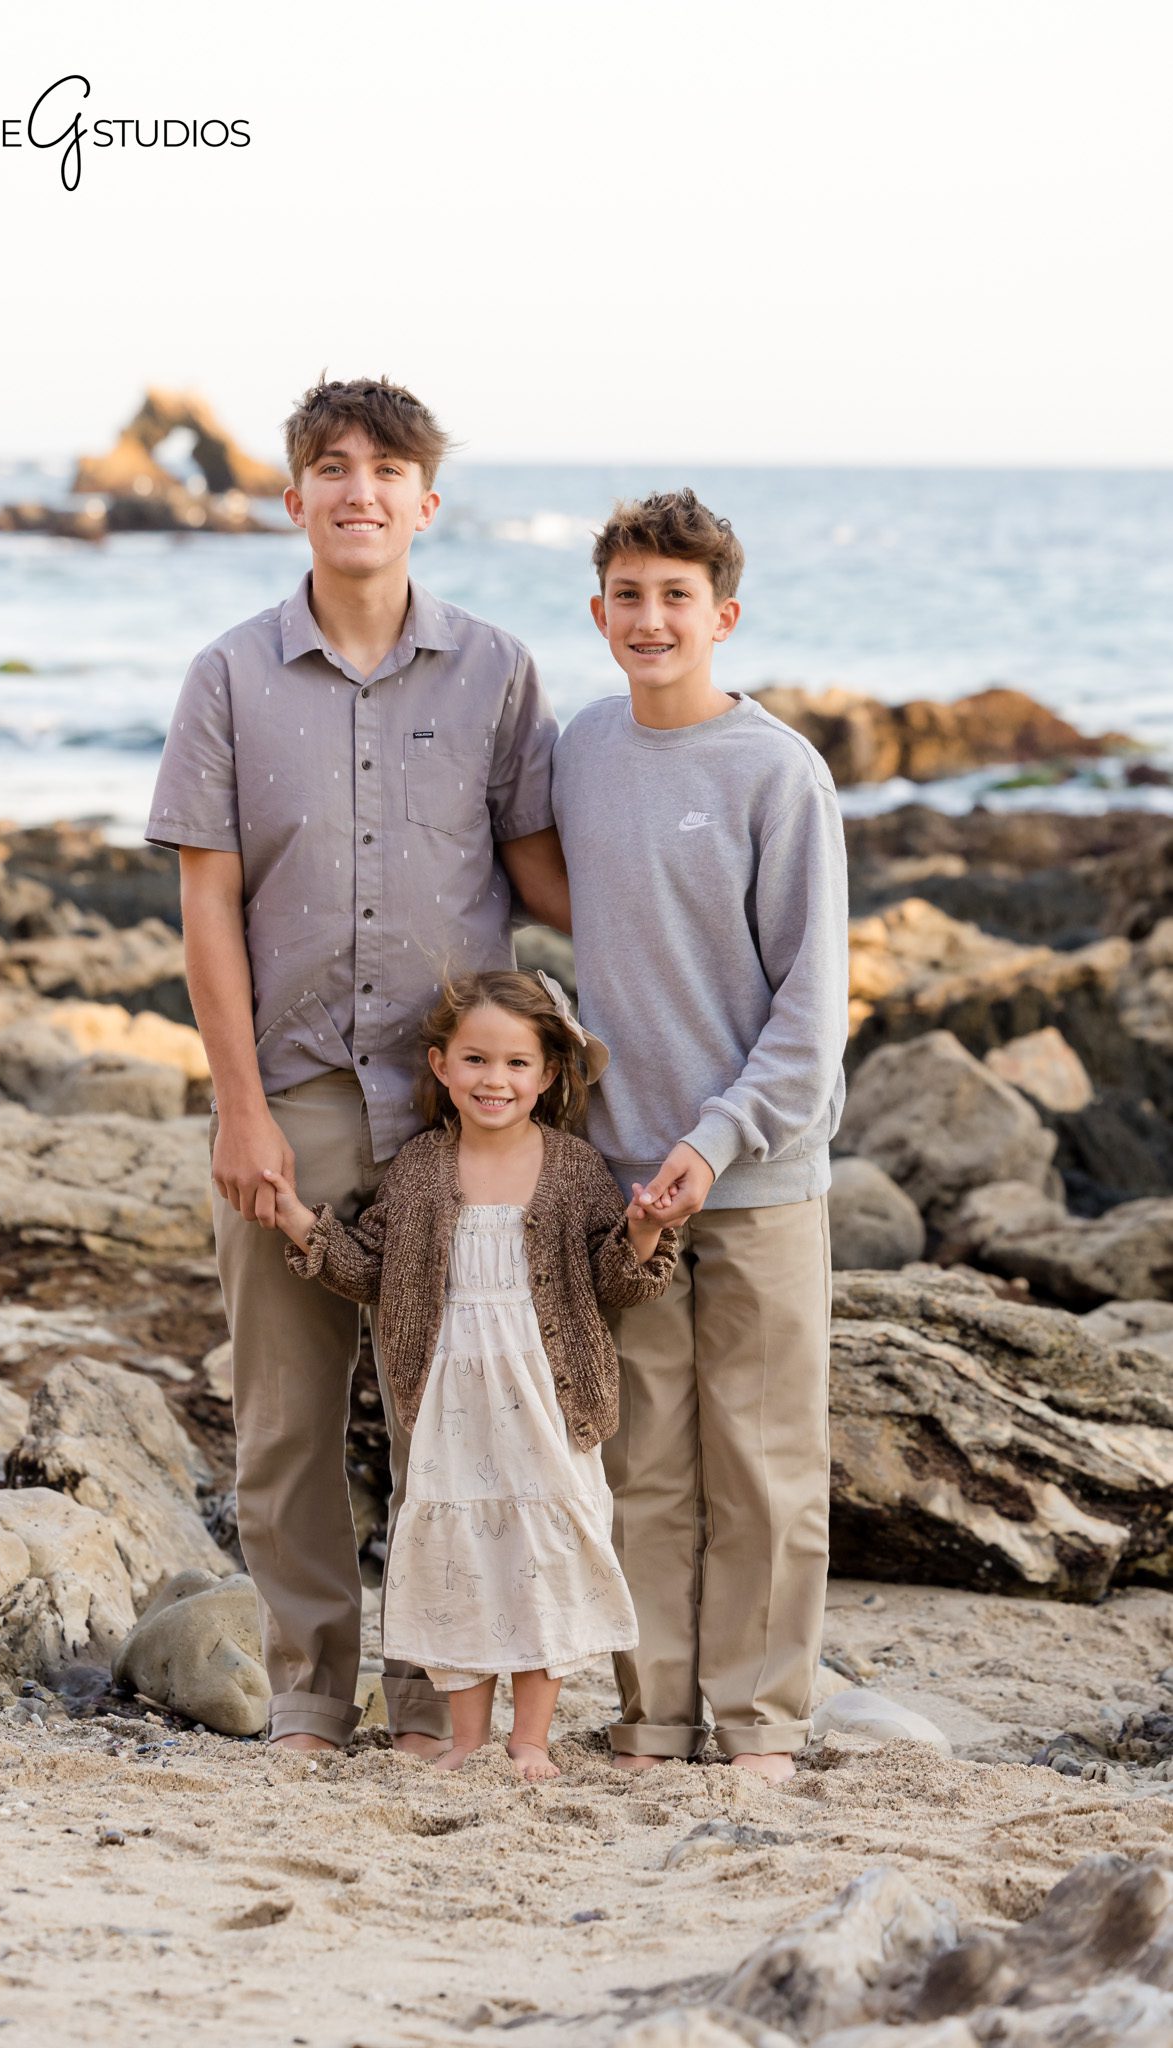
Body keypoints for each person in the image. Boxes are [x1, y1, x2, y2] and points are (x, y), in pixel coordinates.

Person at [144, 377, 571, 1755]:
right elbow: (209, 907)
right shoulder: (226, 674)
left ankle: (439, 1698)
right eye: (332, 465)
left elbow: (552, 874)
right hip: (301, 1095)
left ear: (425, 503)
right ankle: (316, 1700)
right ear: (295, 499)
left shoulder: (500, 672)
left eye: (388, 468)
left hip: (459, 1116)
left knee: (460, 1416)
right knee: (286, 1421)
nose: (360, 488)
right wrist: (240, 1109)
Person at [552, 489, 849, 1784]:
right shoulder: (578, 751)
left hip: (759, 1177)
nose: (652, 617)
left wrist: (719, 1141)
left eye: (678, 597)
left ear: (723, 615)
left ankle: (762, 1725)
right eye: (629, 595)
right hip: (625, 1182)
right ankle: (655, 1718)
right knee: (644, 1466)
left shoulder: (776, 771)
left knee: (768, 1468)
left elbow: (812, 1001)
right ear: (599, 612)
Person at [261, 970, 677, 1779]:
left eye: (518, 1064)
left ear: (549, 1075)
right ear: (441, 1066)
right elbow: (372, 1269)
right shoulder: (419, 1168)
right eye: (477, 1060)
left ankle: (529, 1739)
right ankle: (466, 1738)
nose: (496, 1080)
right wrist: (296, 1218)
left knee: (542, 1548)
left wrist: (637, 1233)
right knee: (458, 1555)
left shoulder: (574, 1169)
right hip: (453, 1398)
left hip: (547, 1401)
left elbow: (612, 1285)